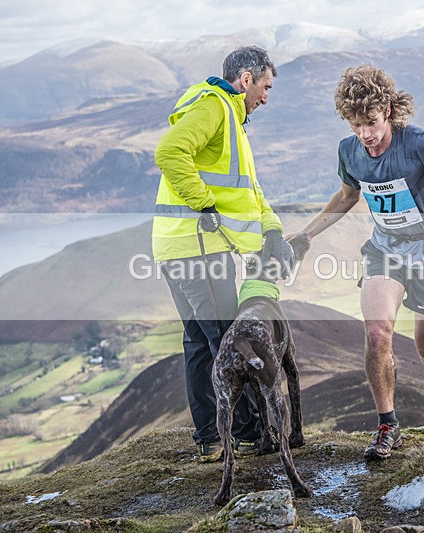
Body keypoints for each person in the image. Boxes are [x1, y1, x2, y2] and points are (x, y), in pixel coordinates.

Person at [289, 65, 424, 460]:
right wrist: (307, 235)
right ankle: (388, 426)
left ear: (388, 110)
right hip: (385, 249)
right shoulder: (350, 151)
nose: (366, 134)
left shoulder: (419, 143)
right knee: (378, 335)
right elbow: (348, 196)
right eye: (355, 124)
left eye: (373, 122)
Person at [152, 46, 294, 462]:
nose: (266, 97)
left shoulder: (231, 119)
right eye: (265, 87)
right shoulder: (215, 107)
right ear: (246, 79)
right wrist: (205, 205)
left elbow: (249, 190)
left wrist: (273, 230)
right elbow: (168, 153)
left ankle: (210, 439)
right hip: (198, 248)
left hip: (176, 246)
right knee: (229, 342)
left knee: (199, 341)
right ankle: (248, 436)